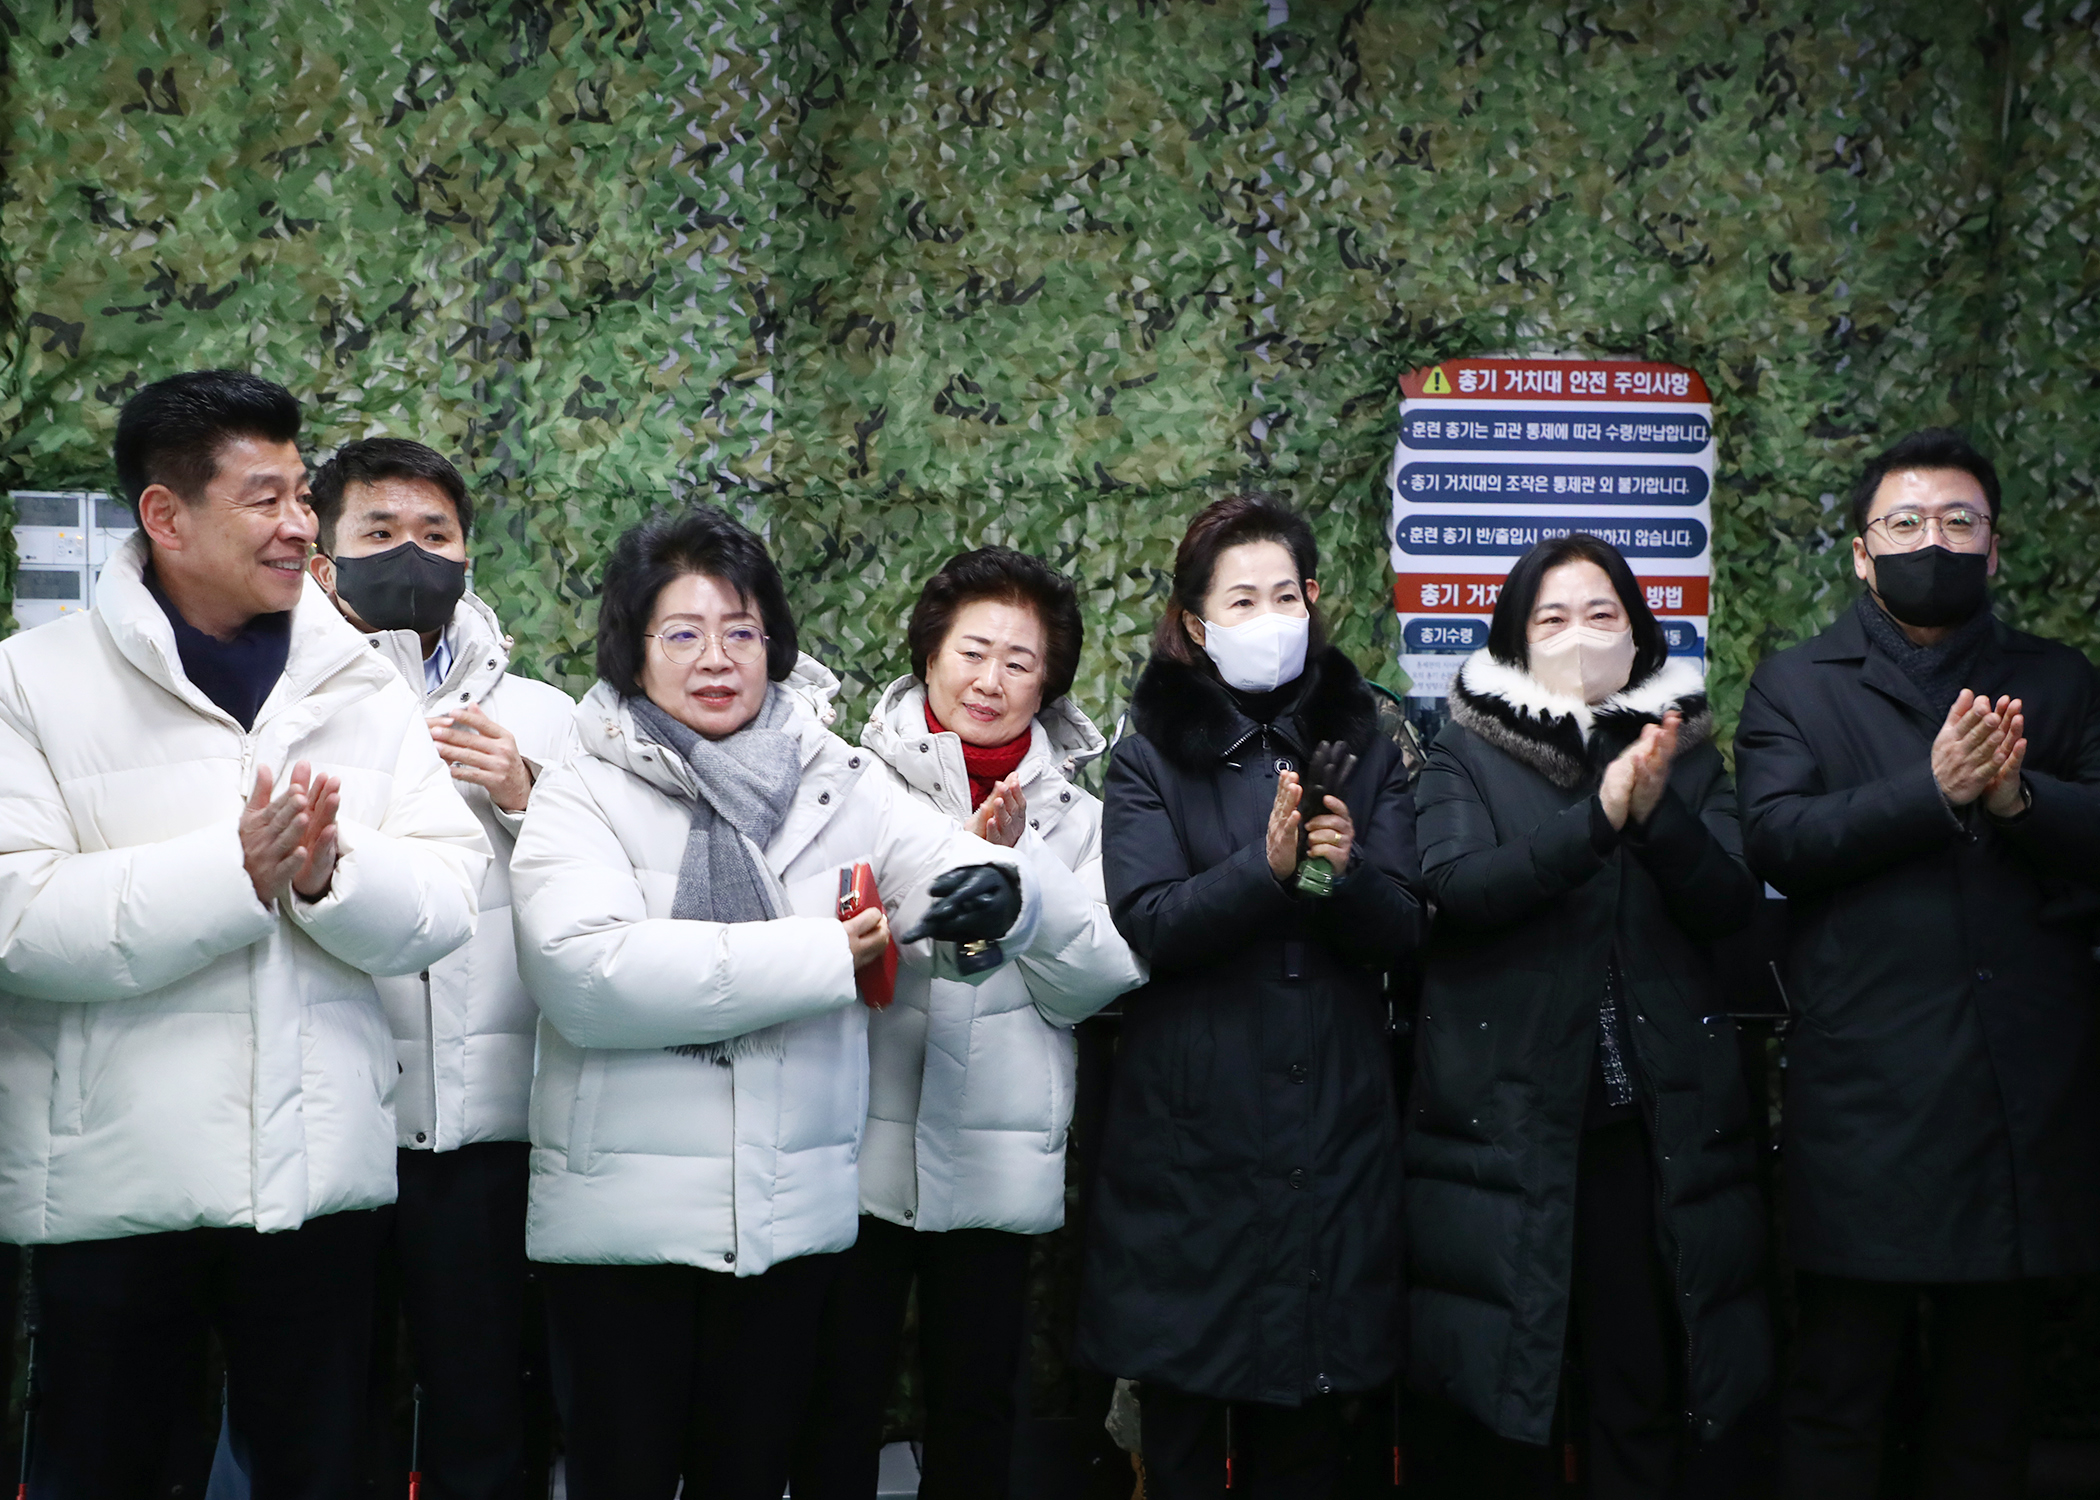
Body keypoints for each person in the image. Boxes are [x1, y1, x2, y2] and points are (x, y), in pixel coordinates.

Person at [508, 504, 1061, 1500]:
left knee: (753, 1479)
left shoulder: (839, 781)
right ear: (633, 654)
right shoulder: (581, 791)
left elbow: (954, 866)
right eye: (682, 633)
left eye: (740, 631)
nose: (715, 659)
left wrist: (1005, 893)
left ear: (774, 645)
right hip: (621, 1235)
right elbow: (590, 979)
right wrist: (823, 956)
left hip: (786, 1228)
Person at [0, 371, 488, 1496]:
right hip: (114, 1193)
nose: (299, 527)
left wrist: (330, 876)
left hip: (317, 1192)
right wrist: (238, 871)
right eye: (265, 499)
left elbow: (447, 899)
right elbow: (23, 922)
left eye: (303, 496)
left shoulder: (362, 683)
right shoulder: (34, 683)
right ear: (166, 517)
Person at [1735, 428, 2100, 1500]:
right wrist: (1931, 791)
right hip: (1868, 1105)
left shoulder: (2060, 681)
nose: (1929, 541)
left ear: (1993, 550)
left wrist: (2019, 800)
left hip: (2023, 1102)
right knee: (1839, 1393)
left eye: (1957, 523)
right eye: (1904, 523)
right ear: (1861, 552)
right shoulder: (1799, 687)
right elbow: (1779, 839)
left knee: (1991, 1411)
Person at [1074, 494, 1426, 1498]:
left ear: (1314, 602)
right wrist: (1263, 870)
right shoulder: (1147, 752)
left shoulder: (1369, 740)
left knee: (1311, 1431)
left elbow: (1408, 929)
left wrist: (1340, 871)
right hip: (1190, 1146)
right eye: (1241, 598)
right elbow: (1149, 922)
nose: (1268, 615)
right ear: (1193, 621)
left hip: (1334, 1131)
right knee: (1181, 1425)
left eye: (1286, 593)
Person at [1404, 534, 1769, 1497]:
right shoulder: (1462, 755)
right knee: (1503, 1400)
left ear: (1639, 631)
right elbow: (1456, 890)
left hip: (1643, 1136)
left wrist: (1654, 813)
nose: (1579, 637)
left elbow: (1730, 904)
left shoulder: (1686, 756)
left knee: (1639, 1385)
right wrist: (1595, 821)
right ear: (1514, 640)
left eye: (1602, 615)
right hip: (1509, 1129)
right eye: (1551, 618)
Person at [796, 547, 1145, 1498]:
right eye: (972, 651)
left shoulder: (1079, 819)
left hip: (995, 1151)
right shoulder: (849, 783)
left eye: (1020, 662)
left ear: (1051, 682)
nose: (990, 681)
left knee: (978, 1403)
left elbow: (1098, 982)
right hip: (852, 1144)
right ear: (928, 657)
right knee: (838, 1396)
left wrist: (1018, 871)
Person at [307, 438, 576, 1500]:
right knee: (331, 1408)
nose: (410, 556)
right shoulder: (281, 706)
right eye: (378, 534)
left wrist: (527, 789)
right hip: (335, 1119)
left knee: (486, 1404)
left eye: (435, 535)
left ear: (468, 556)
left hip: (488, 1126)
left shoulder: (550, 715)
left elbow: (615, 885)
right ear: (323, 560)